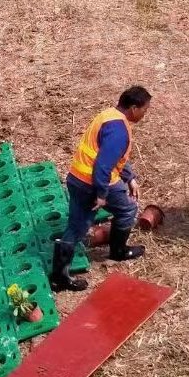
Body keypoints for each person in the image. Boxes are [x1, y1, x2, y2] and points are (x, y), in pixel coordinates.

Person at [52, 87, 153, 292]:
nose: (145, 114)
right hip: (96, 182)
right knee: (127, 210)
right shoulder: (119, 131)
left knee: (77, 226)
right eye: (145, 109)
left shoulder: (108, 115)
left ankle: (58, 277)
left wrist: (130, 178)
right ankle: (118, 251)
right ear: (134, 108)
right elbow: (103, 166)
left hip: (77, 178)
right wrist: (101, 195)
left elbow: (112, 156)